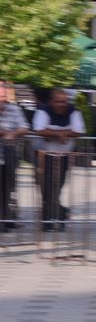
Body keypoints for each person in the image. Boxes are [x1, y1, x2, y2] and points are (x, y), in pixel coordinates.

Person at [32, 89, 84, 231]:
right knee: (45, 190)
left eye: (64, 101)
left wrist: (55, 133)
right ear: (51, 101)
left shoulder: (74, 111)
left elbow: (79, 131)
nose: (62, 104)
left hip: (63, 156)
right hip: (43, 156)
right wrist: (62, 134)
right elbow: (39, 130)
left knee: (56, 188)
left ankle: (53, 219)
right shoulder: (43, 110)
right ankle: (54, 218)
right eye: (58, 101)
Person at [0, 96, 29, 231]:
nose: (2, 101)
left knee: (7, 189)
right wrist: (5, 133)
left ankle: (5, 220)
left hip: (10, 156)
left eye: (4, 97)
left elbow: (24, 127)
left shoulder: (14, 109)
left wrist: (12, 133)